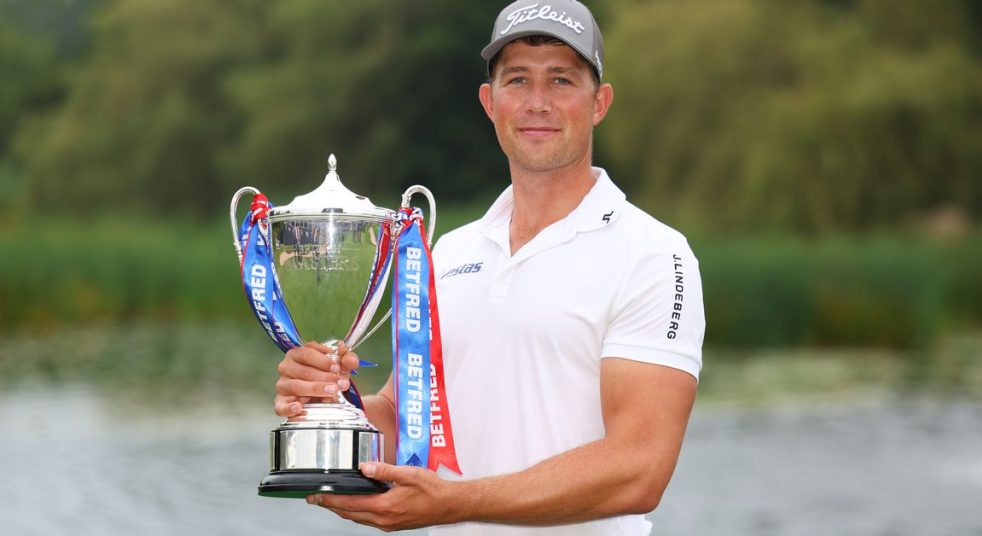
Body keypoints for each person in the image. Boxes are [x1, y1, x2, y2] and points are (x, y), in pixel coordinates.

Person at [273, 1, 705, 533]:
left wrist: (458, 502)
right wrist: (328, 404)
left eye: (562, 80)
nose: (538, 102)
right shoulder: (450, 253)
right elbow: (406, 425)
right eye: (517, 80)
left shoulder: (653, 255)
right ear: (489, 102)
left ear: (600, 102)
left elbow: (639, 469)